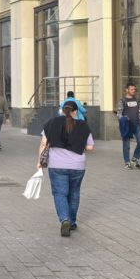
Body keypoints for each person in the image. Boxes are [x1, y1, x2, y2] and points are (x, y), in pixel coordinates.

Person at [39, 100, 94, 237]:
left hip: (57, 165)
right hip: (78, 166)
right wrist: (78, 144)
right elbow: (90, 147)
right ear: (76, 112)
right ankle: (72, 222)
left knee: (60, 193)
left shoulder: (51, 123)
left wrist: (39, 162)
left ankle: (65, 220)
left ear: (62, 110)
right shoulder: (82, 125)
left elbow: (43, 143)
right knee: (74, 193)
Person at [118, 84, 140, 169]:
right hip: (127, 126)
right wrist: (124, 118)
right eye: (131, 89)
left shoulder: (138, 100)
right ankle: (127, 163)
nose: (133, 91)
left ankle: (134, 159)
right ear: (127, 90)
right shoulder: (122, 100)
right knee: (126, 145)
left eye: (134, 89)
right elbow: (119, 114)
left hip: (136, 125)